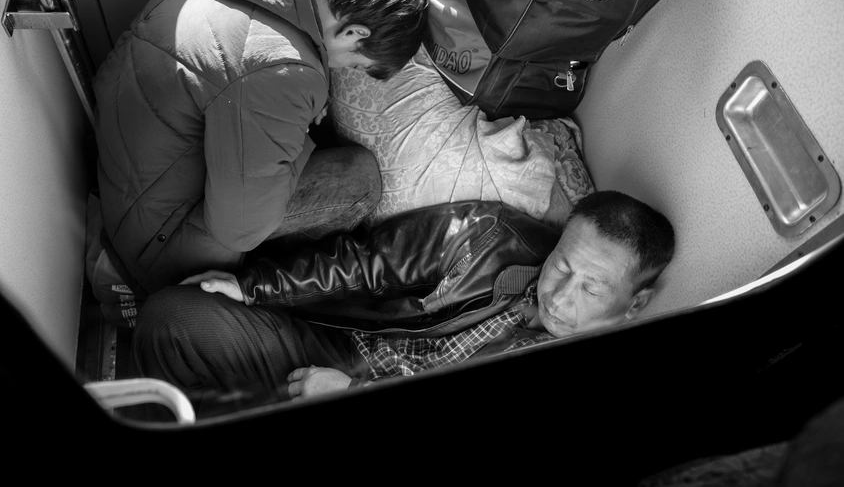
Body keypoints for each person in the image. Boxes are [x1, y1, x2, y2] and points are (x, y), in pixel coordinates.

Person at [132, 191, 675, 417]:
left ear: (636, 303)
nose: (559, 296)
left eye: (592, 289)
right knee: (171, 318)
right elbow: (371, 262)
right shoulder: (490, 234)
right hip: (348, 350)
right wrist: (254, 287)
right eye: (562, 266)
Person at [91, 0, 429, 297]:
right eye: (357, 65)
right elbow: (239, 230)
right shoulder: (283, 72)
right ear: (354, 33)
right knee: (361, 180)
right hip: (161, 249)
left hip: (122, 184)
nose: (344, 70)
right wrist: (302, 138)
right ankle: (265, 290)